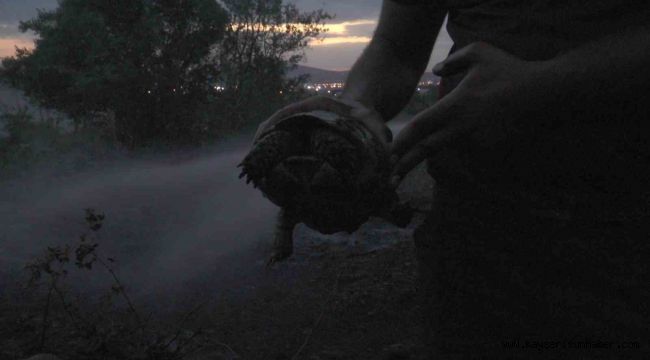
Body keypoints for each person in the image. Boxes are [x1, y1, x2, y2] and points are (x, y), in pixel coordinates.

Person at [257, 0, 650, 357]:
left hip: (625, 230)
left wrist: (543, 83)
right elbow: (398, 47)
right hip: (473, 232)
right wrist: (354, 107)